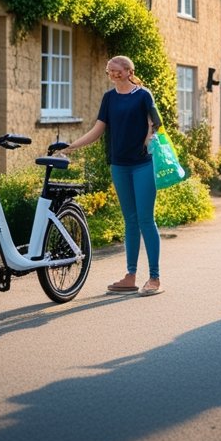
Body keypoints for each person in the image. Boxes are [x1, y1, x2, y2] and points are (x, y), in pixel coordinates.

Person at [56, 56, 164, 296]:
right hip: (120, 165)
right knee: (130, 220)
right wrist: (70, 147)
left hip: (143, 164)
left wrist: (148, 137)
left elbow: (156, 122)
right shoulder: (109, 98)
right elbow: (97, 130)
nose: (112, 74)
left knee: (146, 220)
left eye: (116, 71)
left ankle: (154, 278)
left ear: (128, 71)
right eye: (109, 71)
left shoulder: (143, 95)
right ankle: (130, 276)